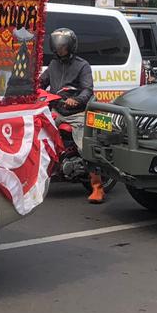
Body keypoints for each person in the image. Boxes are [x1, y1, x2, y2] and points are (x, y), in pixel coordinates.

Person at [39, 27, 104, 204]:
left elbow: (88, 89)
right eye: (57, 47)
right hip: (57, 110)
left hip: (76, 113)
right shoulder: (53, 65)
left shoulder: (82, 65)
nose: (59, 50)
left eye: (63, 47)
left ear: (70, 47)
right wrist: (30, 88)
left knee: (85, 146)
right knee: (38, 133)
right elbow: (41, 82)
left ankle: (97, 187)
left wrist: (77, 100)